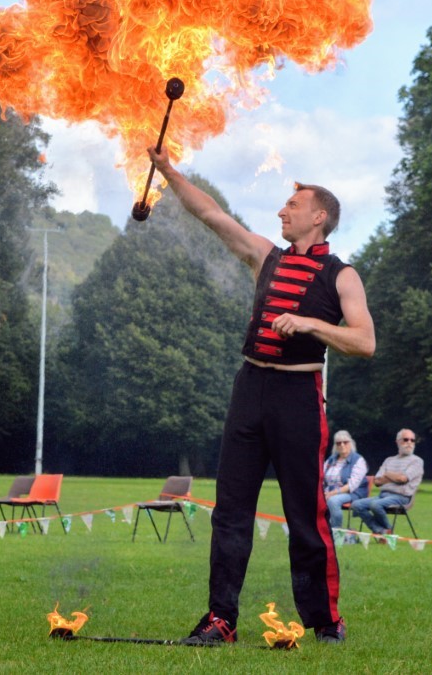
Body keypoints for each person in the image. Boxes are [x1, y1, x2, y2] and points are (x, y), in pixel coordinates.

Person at [145, 146, 375, 647]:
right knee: (230, 510)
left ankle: (325, 621)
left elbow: (364, 341)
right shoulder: (265, 255)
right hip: (250, 389)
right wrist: (168, 172)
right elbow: (211, 215)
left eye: (292, 205)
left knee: (306, 514)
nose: (281, 211)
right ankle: (221, 619)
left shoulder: (342, 275)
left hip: (299, 395)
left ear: (319, 216)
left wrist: (311, 324)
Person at [350, 430, 423, 537]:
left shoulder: (417, 461)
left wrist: (387, 474)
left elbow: (402, 479)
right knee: (356, 505)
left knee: (375, 505)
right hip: (383, 495)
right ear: (398, 442)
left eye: (412, 440)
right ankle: (382, 530)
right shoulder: (389, 460)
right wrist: (395, 477)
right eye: (406, 439)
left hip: (401, 497)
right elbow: (377, 481)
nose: (409, 442)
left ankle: (387, 533)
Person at [322, 430, 368, 530]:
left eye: (345, 442)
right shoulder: (331, 460)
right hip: (329, 492)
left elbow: (352, 485)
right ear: (335, 446)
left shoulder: (358, 460)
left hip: (352, 493)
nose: (342, 445)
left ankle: (336, 531)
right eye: (338, 443)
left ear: (351, 443)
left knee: (333, 501)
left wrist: (332, 493)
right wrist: (322, 493)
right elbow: (322, 477)